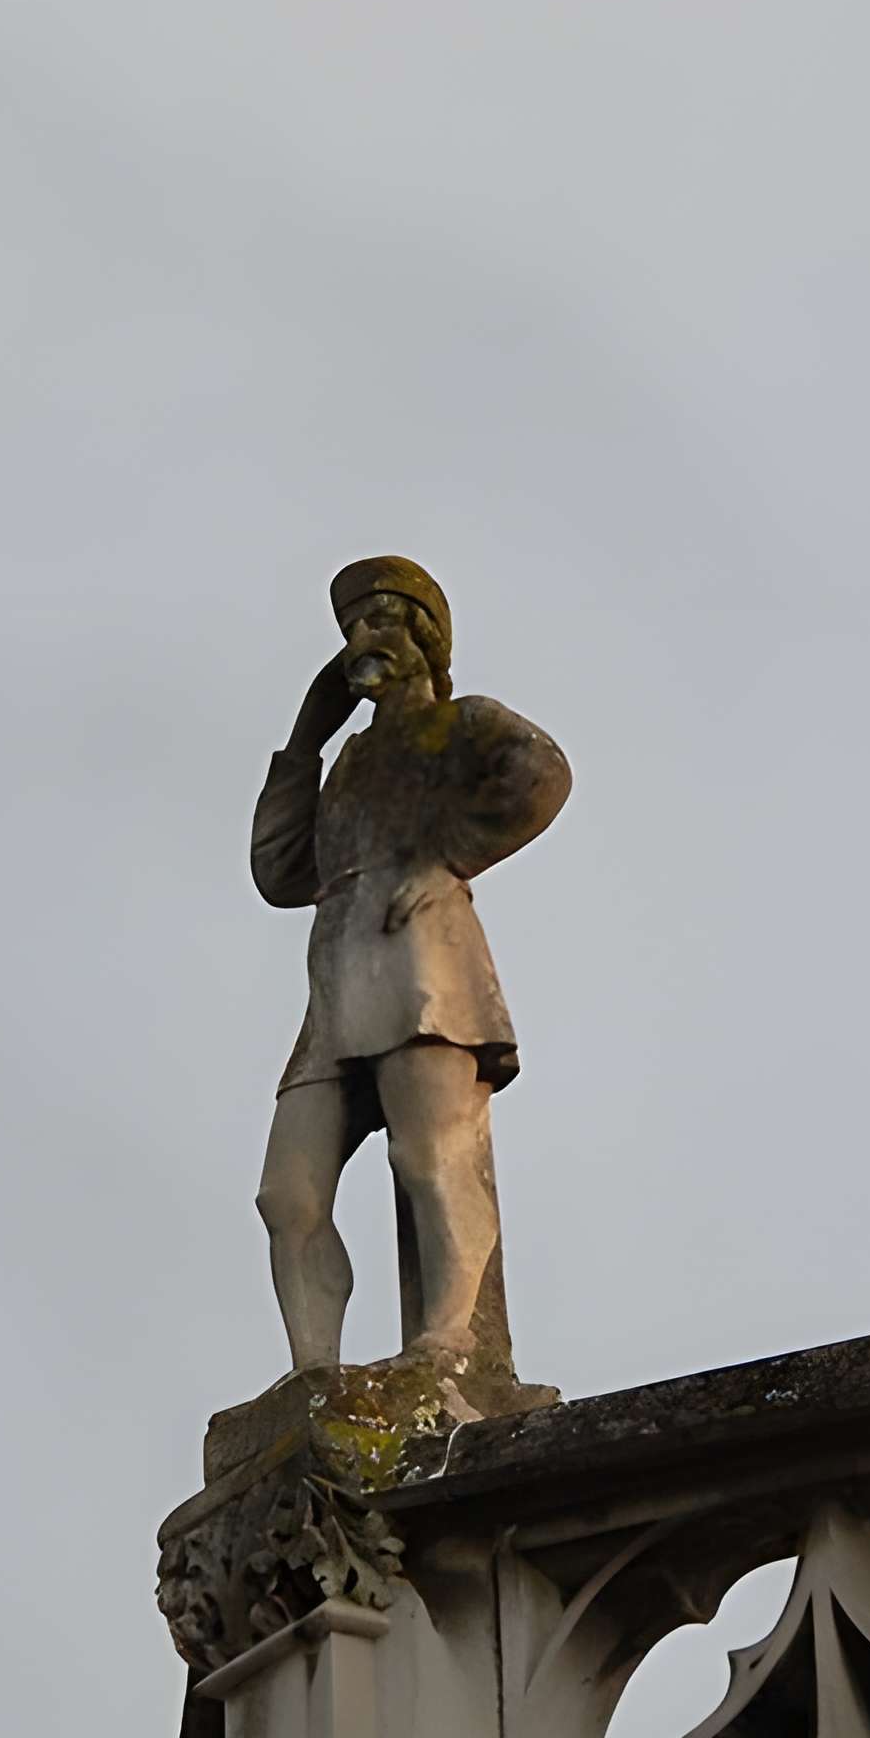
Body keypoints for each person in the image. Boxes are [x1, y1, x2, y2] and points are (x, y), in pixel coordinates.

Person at [250, 556, 570, 1377]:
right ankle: (314, 1373)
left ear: (424, 637)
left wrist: (449, 858)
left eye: (380, 620)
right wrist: (302, 744)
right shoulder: (349, 762)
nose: (362, 639)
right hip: (337, 978)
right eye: (353, 627)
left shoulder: (459, 724)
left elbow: (541, 773)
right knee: (287, 1195)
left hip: (420, 960)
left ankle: (449, 1340)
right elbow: (280, 873)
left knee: (429, 1156)